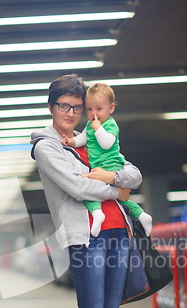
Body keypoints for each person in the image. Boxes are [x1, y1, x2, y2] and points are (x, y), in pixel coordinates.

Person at [31, 74, 142, 308]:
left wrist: (113, 178)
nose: (71, 112)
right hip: (85, 237)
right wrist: (118, 188)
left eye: (77, 107)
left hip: (117, 233)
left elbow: (134, 173)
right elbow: (77, 188)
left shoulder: (93, 134)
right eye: (63, 105)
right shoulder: (46, 147)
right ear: (51, 107)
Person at [62, 82, 152, 238]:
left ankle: (97, 214)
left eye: (98, 109)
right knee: (120, 199)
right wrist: (72, 142)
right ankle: (142, 216)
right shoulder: (90, 126)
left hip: (111, 165)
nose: (93, 114)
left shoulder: (110, 125)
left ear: (111, 109)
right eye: (89, 109)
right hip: (99, 167)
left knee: (90, 191)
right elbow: (83, 138)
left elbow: (106, 143)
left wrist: (98, 128)